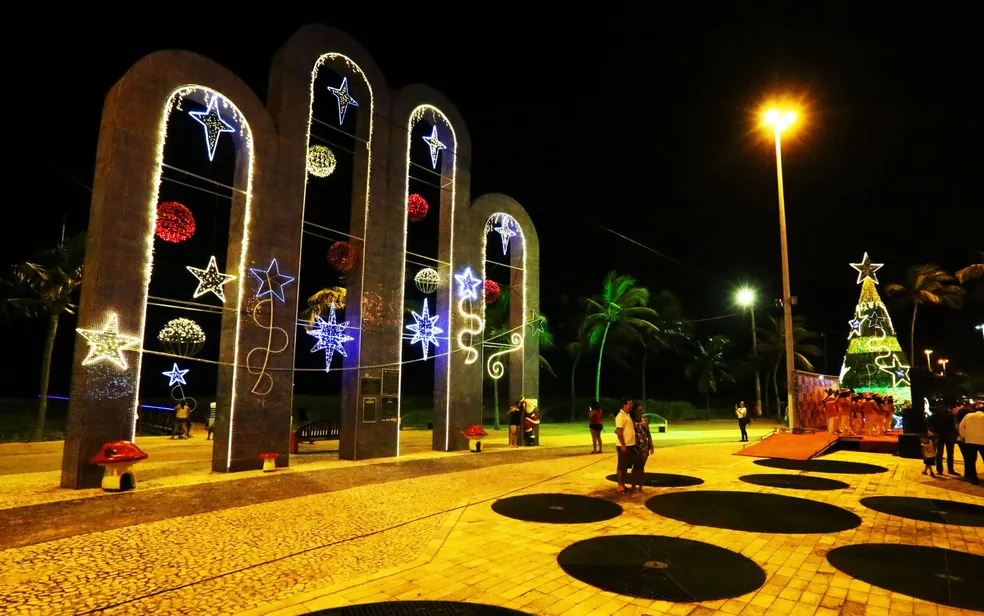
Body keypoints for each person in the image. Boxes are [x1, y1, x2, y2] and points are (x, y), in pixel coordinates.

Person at [614, 398, 636, 493]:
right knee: (621, 465)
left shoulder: (628, 415)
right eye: (629, 404)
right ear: (624, 405)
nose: (631, 405)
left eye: (631, 404)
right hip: (624, 445)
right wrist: (623, 444)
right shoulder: (620, 416)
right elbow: (619, 431)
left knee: (626, 466)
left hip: (630, 445)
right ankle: (619, 485)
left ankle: (623, 484)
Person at [630, 404, 654, 492]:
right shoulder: (631, 421)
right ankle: (633, 485)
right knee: (636, 467)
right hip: (635, 447)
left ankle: (640, 485)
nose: (640, 412)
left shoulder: (645, 421)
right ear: (635, 411)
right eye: (639, 410)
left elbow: (648, 433)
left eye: (641, 410)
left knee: (642, 467)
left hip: (645, 447)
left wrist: (651, 445)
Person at [958, 404, 984, 485]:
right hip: (982, 441)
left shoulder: (968, 416)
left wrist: (964, 436)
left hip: (970, 441)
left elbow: (961, 427)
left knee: (971, 460)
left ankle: (973, 478)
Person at [928, 403, 957, 475]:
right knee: (950, 454)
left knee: (939, 454)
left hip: (939, 436)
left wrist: (934, 433)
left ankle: (939, 469)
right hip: (949, 436)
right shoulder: (950, 416)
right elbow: (953, 426)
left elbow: (929, 425)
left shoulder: (934, 416)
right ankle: (950, 469)